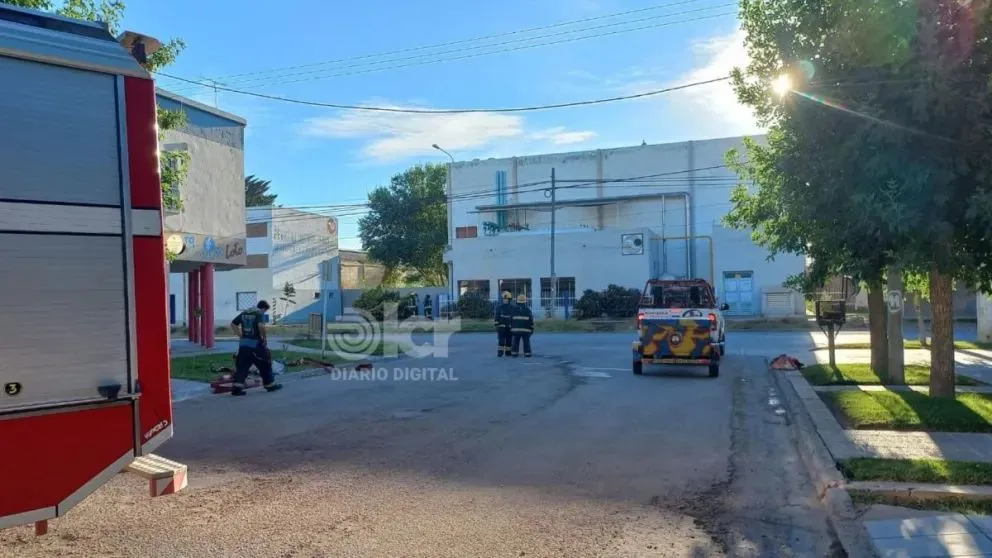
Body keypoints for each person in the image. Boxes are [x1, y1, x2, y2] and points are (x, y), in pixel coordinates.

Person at [229, 300, 282, 396]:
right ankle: (270, 384)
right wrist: (264, 338)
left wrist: (241, 336)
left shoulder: (245, 312)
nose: (264, 313)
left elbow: (233, 324)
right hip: (256, 343)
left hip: (244, 343)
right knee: (265, 362)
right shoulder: (259, 313)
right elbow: (261, 326)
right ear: (264, 308)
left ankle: (237, 388)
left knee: (242, 365)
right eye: (265, 311)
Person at [494, 291, 514, 357]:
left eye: (507, 299)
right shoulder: (499, 307)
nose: (505, 300)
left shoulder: (512, 307)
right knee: (501, 341)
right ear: (502, 299)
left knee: (509, 340)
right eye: (504, 299)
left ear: (509, 300)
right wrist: (496, 326)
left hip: (509, 327)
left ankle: (508, 352)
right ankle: (500, 353)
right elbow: (496, 317)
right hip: (501, 327)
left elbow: (513, 318)